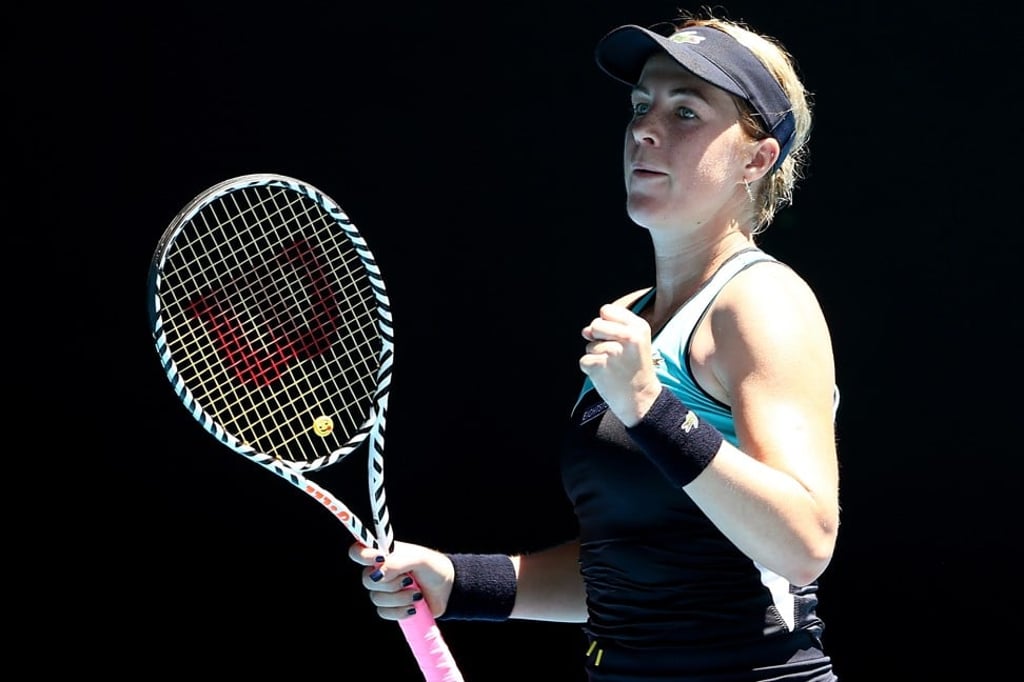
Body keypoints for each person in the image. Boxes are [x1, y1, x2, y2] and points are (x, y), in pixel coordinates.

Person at [350, 9, 841, 681]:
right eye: (642, 106)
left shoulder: (760, 304)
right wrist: (460, 581)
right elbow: (629, 570)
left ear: (756, 159)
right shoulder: (631, 321)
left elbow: (804, 541)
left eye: (686, 113)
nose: (645, 129)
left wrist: (649, 405)